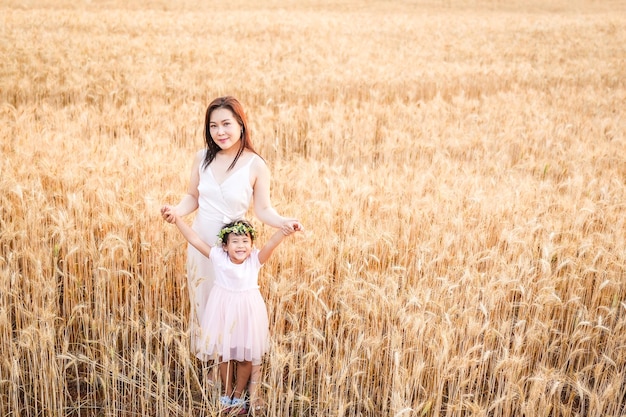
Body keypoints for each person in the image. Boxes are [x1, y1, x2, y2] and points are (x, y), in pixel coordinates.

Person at [160, 96, 301, 407]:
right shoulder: (202, 158)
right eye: (213, 125)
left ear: (241, 124)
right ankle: (219, 381)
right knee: (209, 309)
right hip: (202, 246)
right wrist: (175, 211)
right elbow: (191, 197)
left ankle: (255, 388)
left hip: (235, 249)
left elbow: (263, 209)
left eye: (226, 124)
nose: (219, 131)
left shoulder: (255, 164)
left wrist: (283, 222)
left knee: (244, 317)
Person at [166, 215, 299, 414]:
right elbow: (194, 239)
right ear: (225, 246)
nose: (240, 245)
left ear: (252, 245)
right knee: (224, 354)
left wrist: (284, 230)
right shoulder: (218, 257)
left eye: (245, 241)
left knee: (246, 356)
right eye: (235, 241)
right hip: (223, 310)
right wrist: (177, 220)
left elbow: (272, 243)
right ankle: (227, 395)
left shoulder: (255, 260)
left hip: (248, 311)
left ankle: (238, 396)